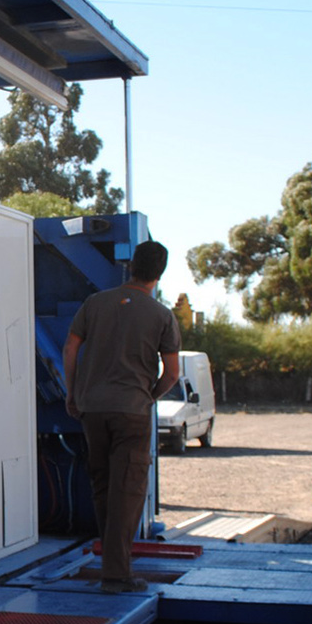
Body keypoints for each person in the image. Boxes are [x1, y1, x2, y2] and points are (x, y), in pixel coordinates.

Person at [62, 240, 181, 593]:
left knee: (102, 486)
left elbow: (71, 348)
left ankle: (111, 563)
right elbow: (172, 373)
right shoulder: (161, 315)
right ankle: (116, 576)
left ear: (130, 266)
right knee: (127, 491)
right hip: (132, 411)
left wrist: (73, 392)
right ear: (159, 274)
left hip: (92, 410)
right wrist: (149, 396)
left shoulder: (95, 303)